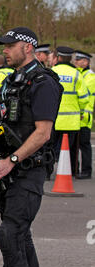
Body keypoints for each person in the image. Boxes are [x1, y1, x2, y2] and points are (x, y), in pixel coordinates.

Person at [0, 27, 62, 267]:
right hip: (7, 168)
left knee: (10, 233)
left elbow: (43, 133)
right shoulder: (7, 81)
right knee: (21, 236)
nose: (5, 50)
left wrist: (12, 160)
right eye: (3, 46)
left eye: (10, 45)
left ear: (28, 48)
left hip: (28, 168)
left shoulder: (44, 83)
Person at [51, 46, 89, 174]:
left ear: (59, 58)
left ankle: (47, 172)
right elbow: (84, 98)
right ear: (70, 59)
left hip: (53, 120)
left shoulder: (51, 72)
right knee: (72, 149)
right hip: (71, 121)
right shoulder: (76, 74)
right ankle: (72, 171)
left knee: (49, 148)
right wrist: (82, 112)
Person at [73, 50, 95, 179]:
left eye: (79, 60)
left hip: (84, 116)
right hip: (77, 116)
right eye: (75, 59)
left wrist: (84, 113)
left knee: (84, 145)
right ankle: (76, 169)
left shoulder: (90, 77)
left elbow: (86, 98)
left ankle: (86, 170)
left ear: (86, 62)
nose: (76, 62)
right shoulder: (81, 75)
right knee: (76, 145)